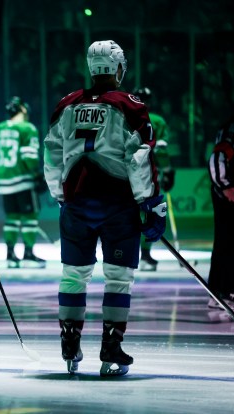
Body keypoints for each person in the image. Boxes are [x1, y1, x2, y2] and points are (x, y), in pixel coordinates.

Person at [43, 41, 166, 376]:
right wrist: (150, 202)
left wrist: (59, 194)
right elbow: (139, 158)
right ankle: (111, 347)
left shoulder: (67, 103)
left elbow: (51, 152)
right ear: (117, 68)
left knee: (73, 275)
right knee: (119, 277)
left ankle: (70, 342)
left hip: (76, 204)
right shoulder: (130, 105)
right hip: (117, 205)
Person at [0, 96, 47, 269]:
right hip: (23, 180)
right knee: (30, 218)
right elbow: (29, 156)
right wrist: (36, 174)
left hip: (5, 181)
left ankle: (10, 255)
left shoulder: (0, 128)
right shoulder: (28, 128)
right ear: (23, 110)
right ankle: (28, 254)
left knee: (11, 218)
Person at [207, 96, 234, 312]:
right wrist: (225, 186)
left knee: (230, 242)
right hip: (231, 195)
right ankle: (228, 292)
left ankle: (220, 292)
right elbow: (218, 157)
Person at [132, 87, 175, 271]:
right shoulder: (156, 121)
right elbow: (161, 150)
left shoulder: (123, 117)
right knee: (148, 214)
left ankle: (128, 255)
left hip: (127, 175)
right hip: (147, 176)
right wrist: (168, 171)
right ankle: (144, 255)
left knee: (129, 215)